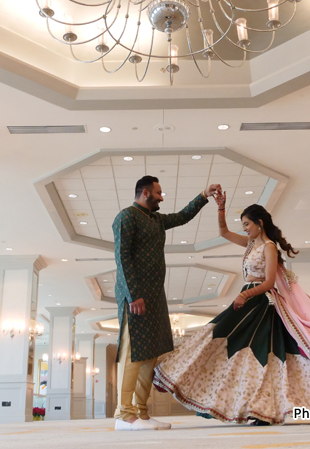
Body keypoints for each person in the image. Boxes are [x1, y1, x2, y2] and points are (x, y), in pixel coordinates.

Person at [154, 194, 310, 425]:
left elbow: (269, 282)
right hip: (248, 301)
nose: (245, 229)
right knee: (217, 337)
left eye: (247, 224)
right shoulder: (251, 244)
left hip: (262, 302)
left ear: (259, 224)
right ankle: (243, 402)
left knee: (264, 356)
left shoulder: (269, 247)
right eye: (243, 225)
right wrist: (221, 209)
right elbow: (224, 233)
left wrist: (245, 294)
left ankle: (264, 410)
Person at [113, 176, 222, 431]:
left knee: (150, 357)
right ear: (145, 193)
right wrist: (133, 293)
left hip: (155, 296)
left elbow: (183, 216)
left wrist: (204, 195)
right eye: (158, 193)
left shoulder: (156, 220)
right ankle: (124, 415)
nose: (162, 197)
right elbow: (122, 257)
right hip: (136, 297)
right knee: (132, 355)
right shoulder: (126, 216)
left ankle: (141, 413)